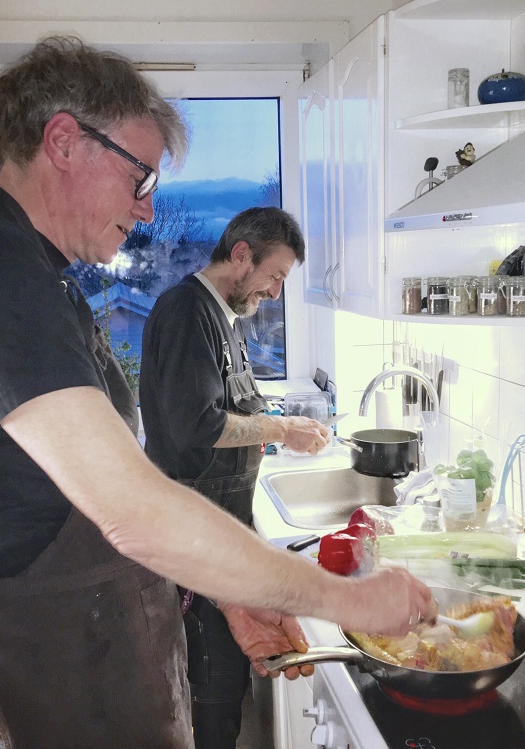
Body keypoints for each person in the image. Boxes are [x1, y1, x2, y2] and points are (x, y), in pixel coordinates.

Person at [0, 36, 437, 749]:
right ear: (63, 142)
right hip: (41, 666)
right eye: (140, 178)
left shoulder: (34, 276)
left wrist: (228, 591)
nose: (147, 212)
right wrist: (346, 599)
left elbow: (100, 486)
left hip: (87, 643)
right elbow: (130, 507)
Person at [140, 206, 327, 748]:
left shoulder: (221, 314)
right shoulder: (185, 313)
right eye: (275, 277)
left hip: (220, 535)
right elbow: (197, 425)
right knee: (211, 699)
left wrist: (275, 429)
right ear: (241, 255)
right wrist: (280, 429)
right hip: (194, 546)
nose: (274, 293)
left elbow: (225, 407)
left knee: (224, 691)